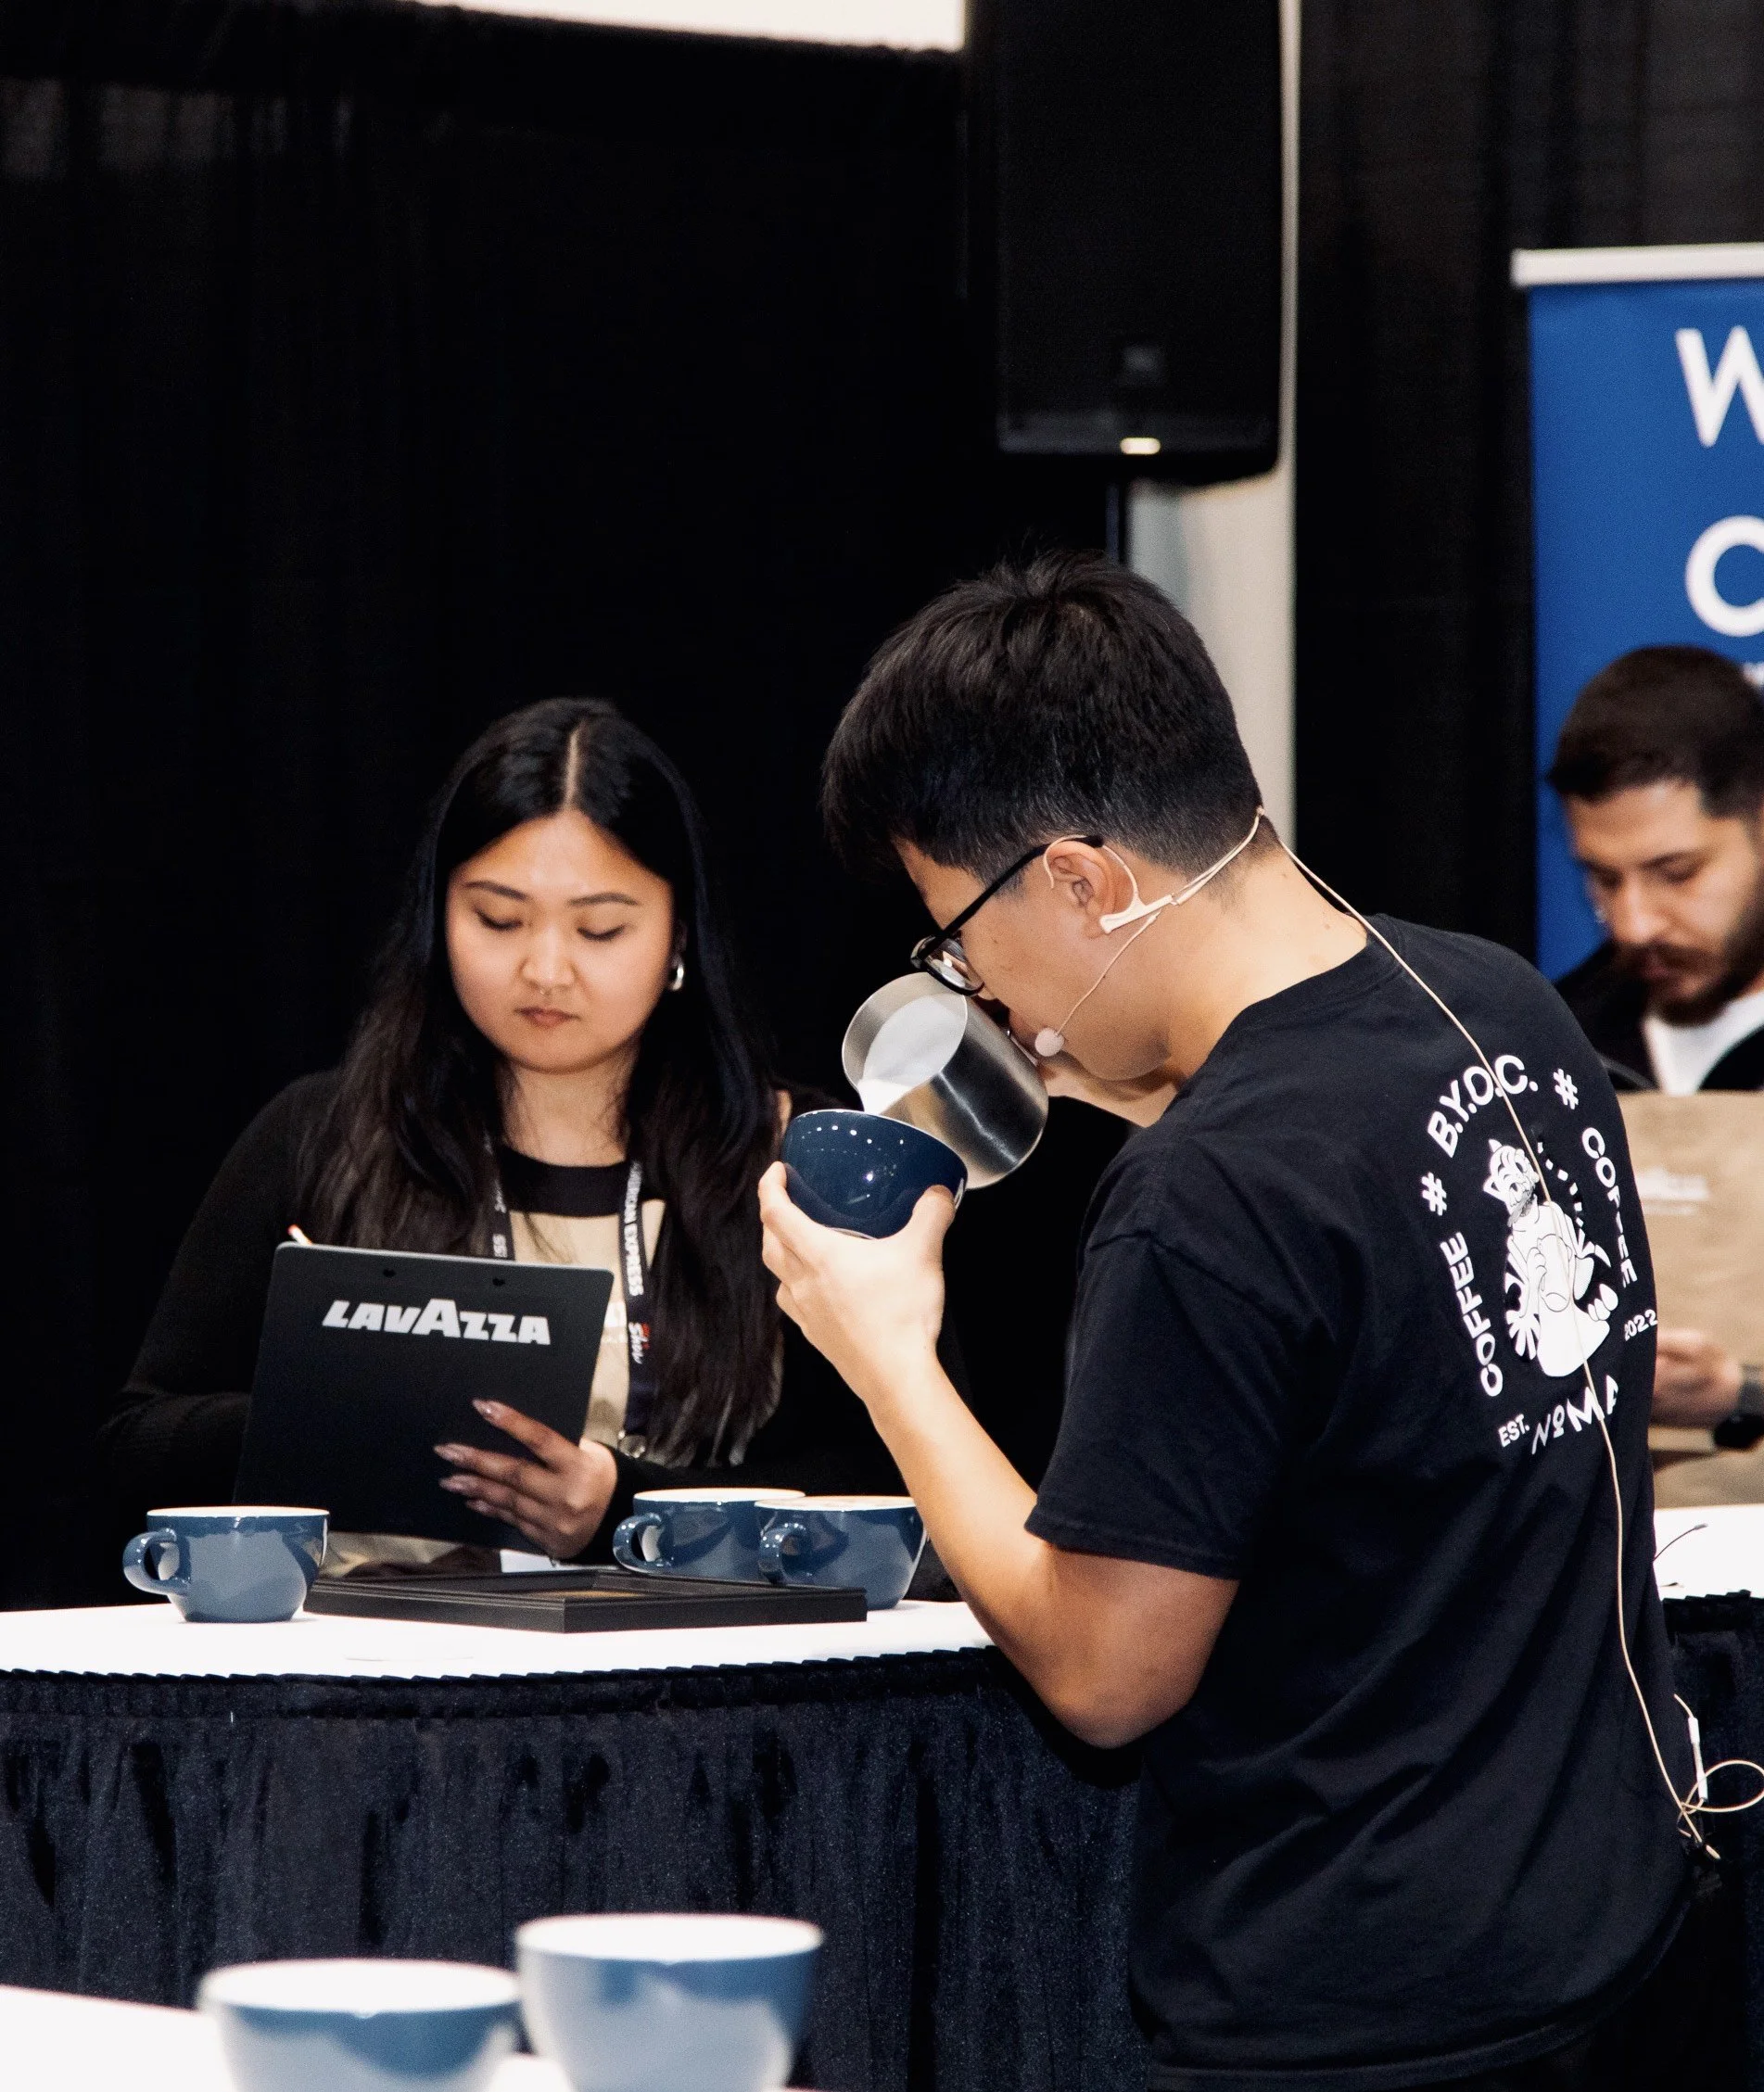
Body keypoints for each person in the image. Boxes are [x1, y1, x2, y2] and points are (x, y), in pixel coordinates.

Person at [757, 556, 1730, 2089]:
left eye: (955, 928)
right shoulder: (1497, 1004)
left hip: (1358, 2000)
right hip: (1610, 1925)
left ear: (1074, 878)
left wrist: (883, 1352)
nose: (971, 984)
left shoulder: (1201, 1201)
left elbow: (1104, 1667)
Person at [99, 698, 908, 1572]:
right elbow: (130, 1447)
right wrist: (313, 1403)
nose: (546, 969)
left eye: (601, 928)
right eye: (497, 918)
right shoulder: (324, 1137)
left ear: (679, 932)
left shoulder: (794, 1160)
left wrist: (619, 1503)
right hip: (358, 1676)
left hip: (685, 1682)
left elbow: (901, 1476)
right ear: (437, 916)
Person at [1547, 647, 1764, 1436]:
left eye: (1674, 873)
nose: (1633, 923)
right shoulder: (1548, 1041)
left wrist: (1738, 1392)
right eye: (1602, 880)